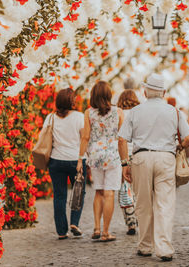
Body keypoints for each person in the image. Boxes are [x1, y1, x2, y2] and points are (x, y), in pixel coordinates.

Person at [118, 73, 189, 262]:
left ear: (145, 91)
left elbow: (121, 139)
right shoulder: (174, 111)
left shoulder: (135, 111)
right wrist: (180, 146)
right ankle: (164, 248)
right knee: (165, 204)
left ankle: (145, 246)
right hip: (166, 158)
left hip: (141, 157)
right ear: (164, 92)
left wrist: (125, 163)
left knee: (143, 204)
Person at [77, 81, 125, 242]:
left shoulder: (88, 113)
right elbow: (122, 139)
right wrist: (125, 161)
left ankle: (96, 228)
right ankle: (106, 232)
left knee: (98, 191)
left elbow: (85, 136)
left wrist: (80, 158)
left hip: (95, 156)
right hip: (113, 155)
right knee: (109, 192)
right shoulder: (118, 112)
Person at [46, 88, 86, 240]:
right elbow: (84, 138)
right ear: (71, 101)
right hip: (76, 160)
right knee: (79, 191)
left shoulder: (51, 118)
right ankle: (74, 223)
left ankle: (62, 231)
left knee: (59, 195)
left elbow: (45, 136)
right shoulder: (79, 117)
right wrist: (81, 159)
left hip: (56, 160)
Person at [117, 90, 140, 235]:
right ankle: (140, 217)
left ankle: (130, 221)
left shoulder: (118, 114)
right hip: (137, 153)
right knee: (138, 189)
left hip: (122, 154)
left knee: (124, 187)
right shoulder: (138, 113)